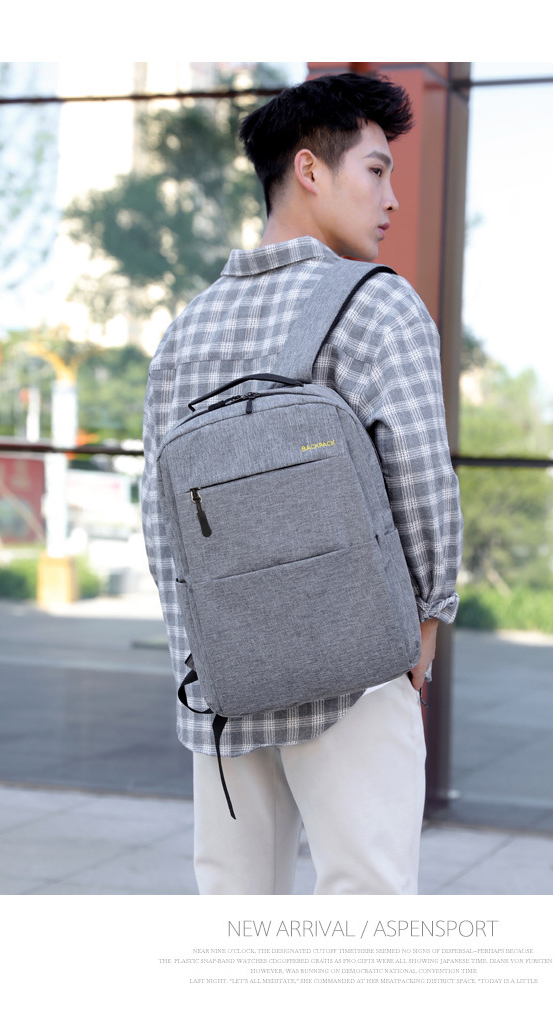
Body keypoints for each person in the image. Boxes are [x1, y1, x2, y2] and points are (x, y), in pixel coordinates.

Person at [141, 72, 463, 895]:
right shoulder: (379, 306)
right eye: (376, 170)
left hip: (227, 680)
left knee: (238, 910)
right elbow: (421, 478)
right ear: (310, 169)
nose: (391, 198)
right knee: (366, 900)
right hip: (355, 668)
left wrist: (206, 654)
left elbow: (159, 522)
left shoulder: (184, 332)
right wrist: (426, 622)